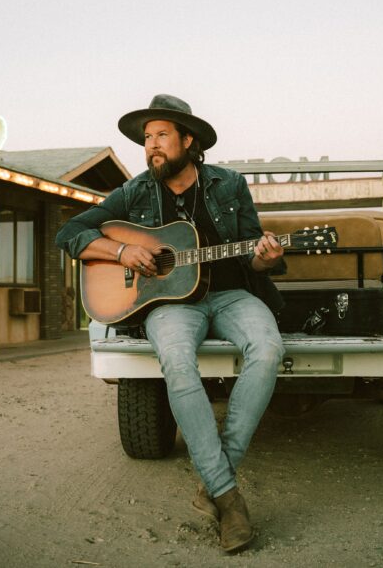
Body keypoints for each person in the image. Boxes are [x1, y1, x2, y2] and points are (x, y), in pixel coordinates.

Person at [55, 94, 286, 553]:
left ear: (188, 140)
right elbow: (70, 234)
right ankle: (228, 497)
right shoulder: (135, 191)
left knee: (269, 348)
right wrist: (122, 252)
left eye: (161, 135)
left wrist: (265, 258)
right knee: (177, 362)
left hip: (231, 295)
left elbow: (253, 254)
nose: (151, 146)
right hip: (171, 305)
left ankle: (213, 482)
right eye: (146, 138)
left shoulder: (229, 184)